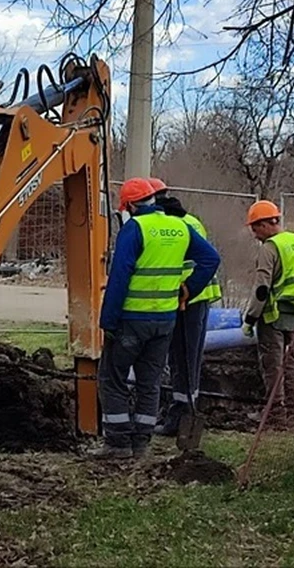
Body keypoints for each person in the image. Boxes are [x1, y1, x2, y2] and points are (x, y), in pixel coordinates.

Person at [94, 178, 221, 459]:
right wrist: (188, 289)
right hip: (164, 321)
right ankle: (141, 444)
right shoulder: (180, 226)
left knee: (112, 378)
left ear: (128, 205)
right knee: (149, 383)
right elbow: (211, 258)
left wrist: (108, 321)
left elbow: (119, 277)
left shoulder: (135, 229)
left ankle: (117, 444)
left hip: (131, 319)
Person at [147, 178, 223, 436]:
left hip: (186, 299)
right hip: (194, 298)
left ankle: (182, 415)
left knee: (183, 359)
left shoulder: (172, 224)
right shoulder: (191, 221)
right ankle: (182, 411)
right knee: (185, 358)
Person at [242, 200, 294, 423]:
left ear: (265, 224)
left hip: (273, 314)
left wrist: (250, 318)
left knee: (272, 364)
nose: (254, 234)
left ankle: (275, 413)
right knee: (291, 360)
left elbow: (262, 288)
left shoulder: (270, 247)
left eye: (255, 228)